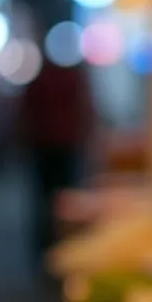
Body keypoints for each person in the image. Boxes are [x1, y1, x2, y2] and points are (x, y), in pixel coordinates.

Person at [19, 57, 93, 265]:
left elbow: (25, 114)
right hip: (64, 146)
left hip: (44, 146)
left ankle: (46, 251)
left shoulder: (40, 81)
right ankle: (61, 250)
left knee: (45, 202)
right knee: (65, 202)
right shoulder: (72, 79)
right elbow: (84, 110)